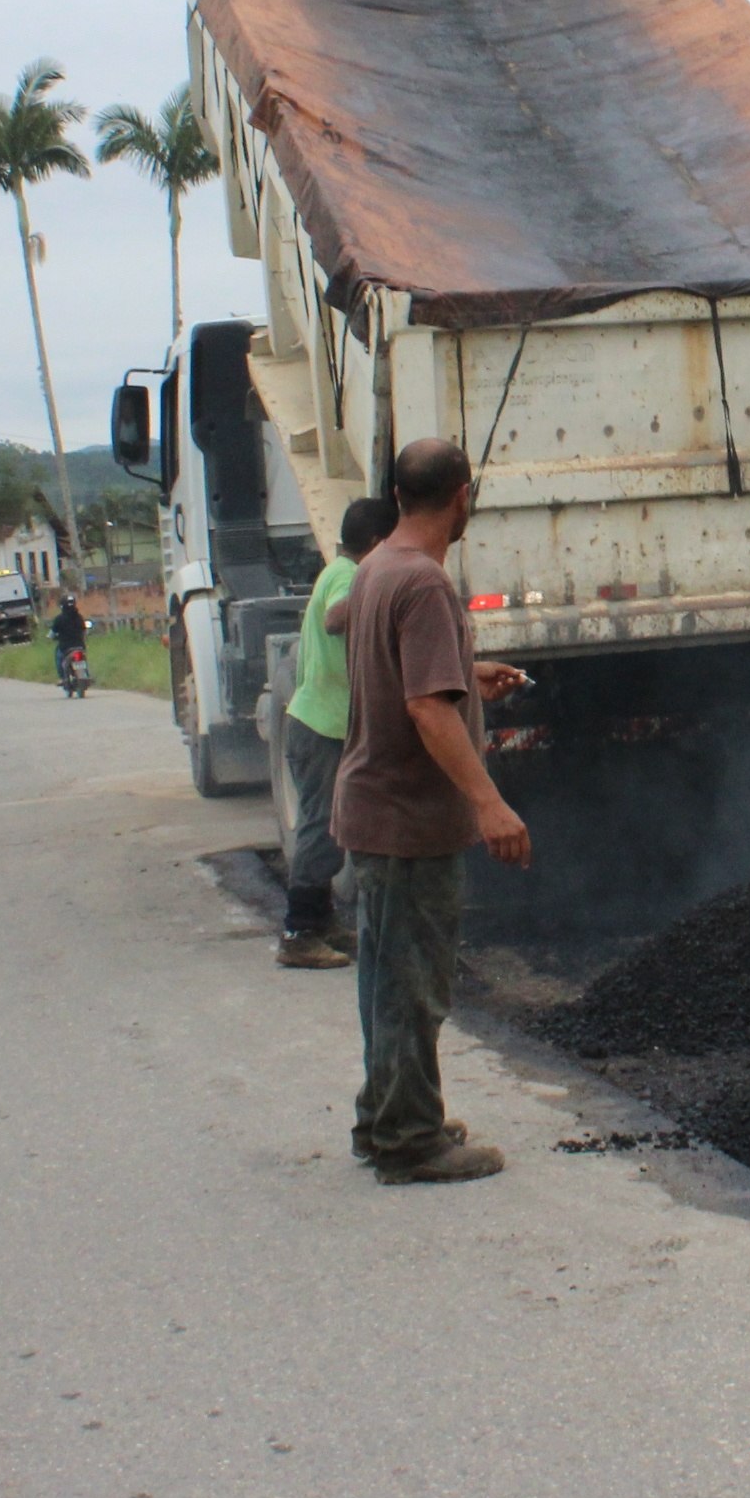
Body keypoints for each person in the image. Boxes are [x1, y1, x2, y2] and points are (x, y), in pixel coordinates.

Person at [332, 437, 531, 1185]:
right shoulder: (425, 586)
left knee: (386, 978)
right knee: (414, 985)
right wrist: (491, 803)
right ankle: (412, 1141)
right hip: (407, 819)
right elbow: (423, 708)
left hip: (373, 812)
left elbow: (400, 671)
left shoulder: (379, 567)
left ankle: (384, 1117)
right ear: (461, 496)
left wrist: (465, 676)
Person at [271, 494, 397, 970]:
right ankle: (298, 934)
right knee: (322, 830)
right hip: (321, 726)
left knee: (329, 826)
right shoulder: (349, 575)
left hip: (323, 724)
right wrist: (381, 589)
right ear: (379, 542)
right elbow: (336, 617)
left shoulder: (338, 570)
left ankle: (319, 924)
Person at [48, 594, 88, 688]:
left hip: (65, 647)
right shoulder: (79, 617)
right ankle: (86, 674)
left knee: (58, 657)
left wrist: (50, 637)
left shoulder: (59, 619)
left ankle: (62, 677)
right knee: (84, 659)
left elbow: (52, 634)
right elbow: (84, 631)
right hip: (80, 646)